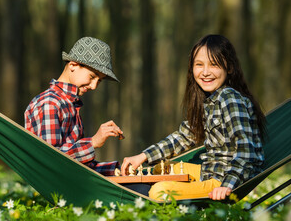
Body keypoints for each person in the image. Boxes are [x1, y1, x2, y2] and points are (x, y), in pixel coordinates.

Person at [121, 34, 266, 200]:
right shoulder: (209, 101)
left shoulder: (229, 98)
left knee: (159, 191)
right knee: (160, 169)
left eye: (214, 65)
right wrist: (142, 157)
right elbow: (183, 137)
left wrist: (227, 185)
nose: (205, 72)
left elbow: (246, 151)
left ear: (230, 67)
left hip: (225, 179)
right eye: (199, 65)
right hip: (209, 171)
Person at [24, 37, 123, 176]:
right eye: (92, 76)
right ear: (72, 65)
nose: (94, 86)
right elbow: (51, 162)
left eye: (99, 81)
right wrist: (93, 142)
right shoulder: (49, 104)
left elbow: (78, 167)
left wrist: (118, 170)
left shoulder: (70, 104)